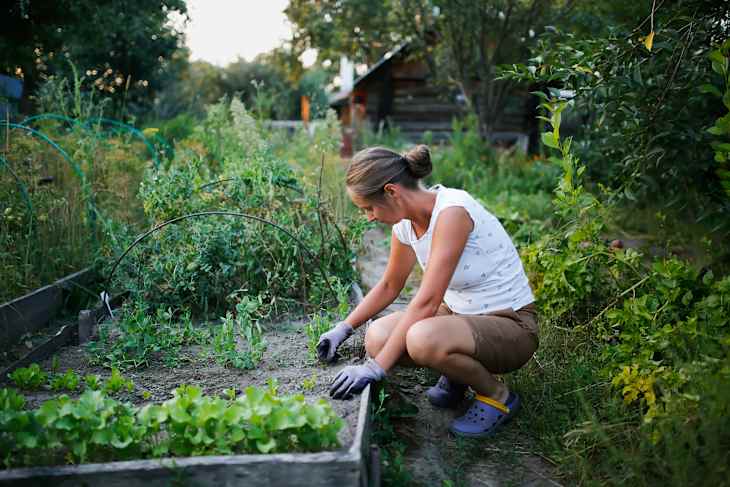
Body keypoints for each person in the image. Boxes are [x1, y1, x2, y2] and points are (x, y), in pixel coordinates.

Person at [316, 145, 539, 437]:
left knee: (421, 339)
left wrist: (375, 368)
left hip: (511, 326)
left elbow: (428, 300)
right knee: (377, 337)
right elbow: (389, 285)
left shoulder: (452, 211)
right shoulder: (405, 227)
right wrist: (343, 328)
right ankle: (459, 375)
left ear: (392, 192)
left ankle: (498, 397)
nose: (369, 217)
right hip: (461, 317)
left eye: (369, 208)